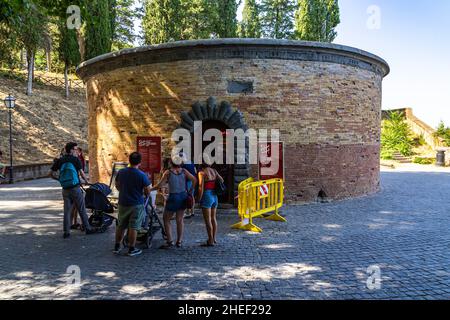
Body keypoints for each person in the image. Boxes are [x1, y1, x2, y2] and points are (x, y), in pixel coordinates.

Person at [50, 142, 98, 239]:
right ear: (71, 150)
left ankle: (66, 232)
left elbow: (50, 173)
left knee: (67, 211)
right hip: (75, 188)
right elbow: (82, 173)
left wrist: (59, 179)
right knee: (81, 209)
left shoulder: (60, 160)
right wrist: (86, 181)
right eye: (75, 149)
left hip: (65, 189)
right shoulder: (75, 160)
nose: (76, 151)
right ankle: (88, 229)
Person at [150, 157, 197, 249]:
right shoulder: (184, 171)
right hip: (183, 196)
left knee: (166, 219)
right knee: (179, 220)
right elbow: (194, 180)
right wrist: (190, 191)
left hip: (173, 197)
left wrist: (150, 189)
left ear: (171, 163)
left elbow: (160, 185)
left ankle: (170, 241)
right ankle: (179, 241)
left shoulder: (168, 173)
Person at [113, 152, 152, 257]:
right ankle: (131, 248)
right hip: (136, 203)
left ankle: (117, 246)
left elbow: (117, 185)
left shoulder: (121, 172)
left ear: (129, 160)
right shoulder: (142, 175)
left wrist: (124, 191)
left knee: (121, 225)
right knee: (133, 226)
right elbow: (148, 191)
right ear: (140, 162)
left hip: (123, 202)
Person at [197, 163, 224, 247]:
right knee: (213, 218)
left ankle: (210, 240)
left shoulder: (201, 173)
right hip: (214, 196)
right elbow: (222, 180)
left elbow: (201, 187)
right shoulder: (214, 171)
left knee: (207, 220)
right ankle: (214, 238)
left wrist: (199, 198)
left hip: (207, 195)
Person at [180, 153, 197, 219]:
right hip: (192, 181)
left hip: (187, 182)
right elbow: (195, 171)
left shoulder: (184, 165)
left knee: (187, 197)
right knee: (191, 196)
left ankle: (188, 212)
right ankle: (192, 212)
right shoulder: (191, 163)